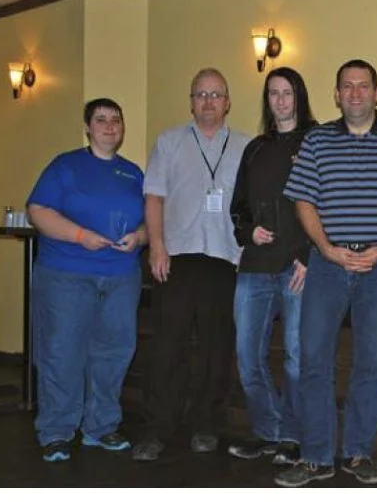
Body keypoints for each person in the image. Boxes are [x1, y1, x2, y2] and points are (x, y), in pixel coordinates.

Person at [274, 59, 377, 488]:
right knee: (313, 361)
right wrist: (325, 249)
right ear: (336, 94)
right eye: (346, 86)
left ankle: (359, 453)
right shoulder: (317, 140)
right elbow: (304, 201)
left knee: (370, 363)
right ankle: (315, 457)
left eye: (363, 86)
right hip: (327, 267)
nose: (355, 93)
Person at [131, 67, 249, 461]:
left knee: (217, 349)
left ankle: (206, 425)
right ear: (191, 100)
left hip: (224, 259)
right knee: (168, 347)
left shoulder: (246, 147)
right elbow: (154, 198)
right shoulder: (169, 142)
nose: (208, 102)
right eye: (201, 94)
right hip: (176, 257)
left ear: (228, 101)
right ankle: (157, 428)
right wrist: (157, 246)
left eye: (216, 94)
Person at [26, 97, 146, 463]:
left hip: (120, 277)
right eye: (101, 119)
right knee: (62, 353)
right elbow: (38, 211)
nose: (110, 126)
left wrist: (139, 238)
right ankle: (57, 432)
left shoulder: (133, 173)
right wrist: (81, 236)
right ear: (88, 127)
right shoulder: (65, 166)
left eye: (116, 120)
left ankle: (101, 426)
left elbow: (151, 221)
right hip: (67, 274)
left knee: (113, 353)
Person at [228, 67, 316, 467]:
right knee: (248, 358)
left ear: (299, 96)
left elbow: (329, 206)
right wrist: (248, 232)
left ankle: (294, 437)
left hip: (299, 267)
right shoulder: (256, 148)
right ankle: (269, 431)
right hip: (255, 266)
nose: (280, 101)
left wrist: (311, 256)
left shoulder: (317, 141)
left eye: (287, 93)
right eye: (273, 93)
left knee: (297, 359)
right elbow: (238, 208)